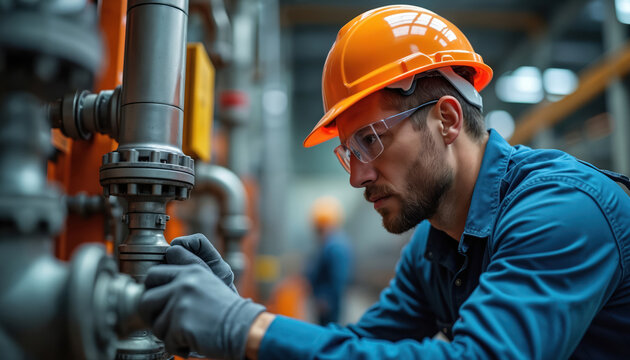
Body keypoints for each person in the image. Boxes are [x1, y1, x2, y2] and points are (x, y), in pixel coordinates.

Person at [139, 5, 630, 360]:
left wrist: (246, 329)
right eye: (347, 153)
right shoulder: (432, 248)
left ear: (447, 119)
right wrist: (237, 315)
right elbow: (365, 346)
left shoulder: (562, 212)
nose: (357, 176)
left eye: (371, 142)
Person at [306, 195, 353, 325]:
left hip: (328, 303)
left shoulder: (335, 246)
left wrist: (327, 300)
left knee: (330, 331)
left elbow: (338, 278)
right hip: (324, 301)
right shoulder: (329, 243)